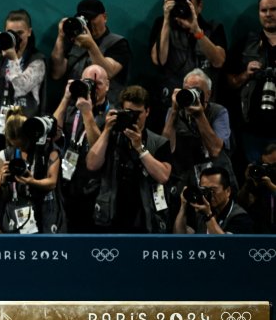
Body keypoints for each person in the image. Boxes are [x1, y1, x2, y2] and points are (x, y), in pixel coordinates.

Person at [87, 85, 173, 233]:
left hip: (145, 220)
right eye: (129, 113)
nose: (134, 118)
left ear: (147, 111)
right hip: (110, 218)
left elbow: (163, 176)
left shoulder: (158, 142)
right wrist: (107, 130)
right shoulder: (110, 137)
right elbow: (92, 164)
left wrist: (140, 148)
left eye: (138, 113)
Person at [0, 9, 45, 176]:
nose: (17, 37)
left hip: (22, 134)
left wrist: (14, 59)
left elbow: (21, 87)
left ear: (29, 32)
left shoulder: (37, 61)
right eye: (11, 33)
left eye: (20, 33)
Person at [150, 0, 228, 120]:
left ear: (199, 6)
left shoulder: (213, 28)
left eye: (188, 2)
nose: (183, 7)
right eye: (179, 2)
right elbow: (159, 60)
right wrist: (167, 20)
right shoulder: (162, 25)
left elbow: (218, 61)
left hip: (206, 107)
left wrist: (196, 31)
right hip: (170, 105)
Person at [51, 65, 110, 232]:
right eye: (88, 83)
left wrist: (87, 113)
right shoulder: (71, 108)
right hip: (66, 185)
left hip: (93, 190)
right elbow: (53, 134)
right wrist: (65, 98)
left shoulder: (111, 114)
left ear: (108, 85)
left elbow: (98, 149)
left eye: (97, 84)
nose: (92, 88)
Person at [161, 69, 232, 197]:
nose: (191, 94)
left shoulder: (218, 112)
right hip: (184, 173)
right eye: (187, 90)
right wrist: (174, 112)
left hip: (213, 175)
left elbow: (215, 150)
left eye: (197, 90)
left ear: (208, 94)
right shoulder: (173, 112)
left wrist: (199, 116)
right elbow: (166, 150)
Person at [226, 0, 276, 165]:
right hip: (251, 130)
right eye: (264, 10)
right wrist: (246, 74)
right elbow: (230, 83)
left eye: (273, 9)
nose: (268, 14)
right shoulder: (246, 44)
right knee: (253, 183)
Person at [0, 108, 65, 234]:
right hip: (16, 212)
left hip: (46, 210)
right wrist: (4, 182)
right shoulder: (4, 156)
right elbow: (1, 196)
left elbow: (52, 182)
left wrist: (32, 181)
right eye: (16, 146)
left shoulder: (49, 151)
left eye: (24, 144)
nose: (21, 148)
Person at [50, 0, 130, 104]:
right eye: (84, 19)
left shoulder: (118, 43)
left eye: (92, 18)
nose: (88, 23)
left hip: (104, 110)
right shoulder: (73, 41)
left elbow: (109, 72)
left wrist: (91, 46)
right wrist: (60, 37)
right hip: (75, 107)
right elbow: (57, 73)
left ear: (105, 17)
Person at [174, 166, 253, 234]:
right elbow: (180, 239)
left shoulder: (240, 217)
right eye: (204, 190)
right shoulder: (200, 212)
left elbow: (227, 245)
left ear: (228, 191)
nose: (208, 194)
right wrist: (183, 206)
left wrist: (208, 216)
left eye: (213, 190)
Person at [237, 143, 276, 234]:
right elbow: (242, 203)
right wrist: (248, 183)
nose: (267, 168)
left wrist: (271, 186)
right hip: (260, 229)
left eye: (272, 165)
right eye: (265, 164)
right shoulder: (259, 177)